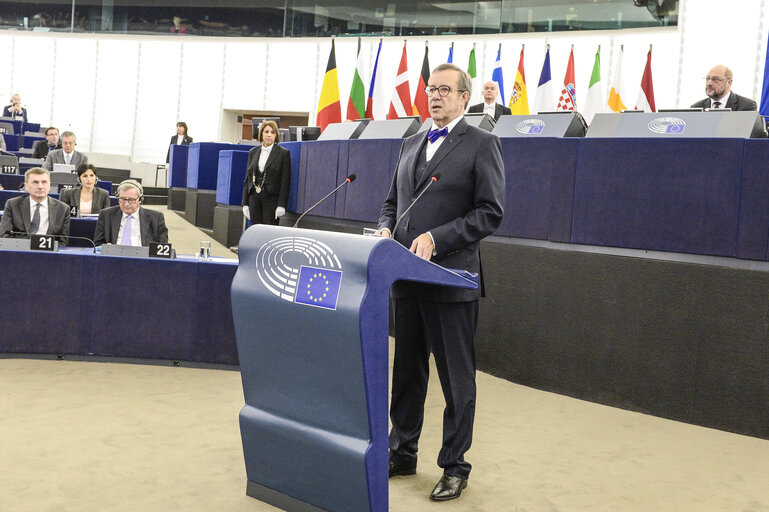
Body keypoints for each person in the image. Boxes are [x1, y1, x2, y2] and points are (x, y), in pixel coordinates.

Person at [377, 63, 505, 501]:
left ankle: (455, 465)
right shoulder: (411, 142)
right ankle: (402, 451)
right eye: (431, 89)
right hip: (407, 278)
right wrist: (384, 230)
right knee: (407, 373)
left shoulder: (482, 143)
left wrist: (437, 237)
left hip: (452, 279)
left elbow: (490, 212)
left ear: (464, 98)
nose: (434, 96)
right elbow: (392, 203)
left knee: (456, 379)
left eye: (444, 90)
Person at [0, 167, 70, 244]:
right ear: (26, 186)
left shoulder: (63, 209)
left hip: (49, 253)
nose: (40, 186)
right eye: (35, 182)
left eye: (44, 182)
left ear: (49, 185)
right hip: (20, 250)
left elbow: (63, 242)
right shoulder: (13, 205)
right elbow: (4, 235)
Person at [241, 120, 290, 226]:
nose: (269, 135)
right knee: (255, 230)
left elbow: (285, 182)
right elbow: (247, 179)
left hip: (272, 199)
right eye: (266, 132)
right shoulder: (253, 152)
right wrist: (245, 203)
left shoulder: (283, 153)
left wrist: (281, 205)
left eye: (272, 132)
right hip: (254, 197)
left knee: (269, 232)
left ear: (276, 135)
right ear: (261, 133)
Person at [93, 179, 168, 246]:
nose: (126, 204)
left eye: (131, 200)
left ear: (140, 200)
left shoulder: (156, 218)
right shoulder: (106, 215)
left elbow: (163, 248)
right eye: (122, 199)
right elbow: (98, 244)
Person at [691, 65, 757, 111]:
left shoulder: (746, 106)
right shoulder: (696, 108)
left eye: (715, 79)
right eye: (707, 78)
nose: (709, 83)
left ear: (729, 82)